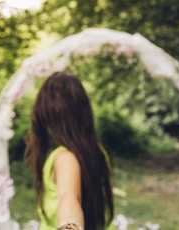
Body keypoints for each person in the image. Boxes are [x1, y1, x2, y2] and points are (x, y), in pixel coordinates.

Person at [25, 72, 114, 230]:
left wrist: (69, 227)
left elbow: (69, 197)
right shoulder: (97, 151)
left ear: (47, 111)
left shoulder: (65, 158)